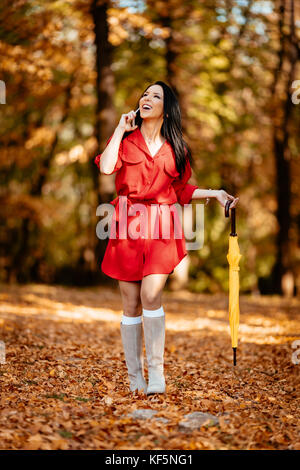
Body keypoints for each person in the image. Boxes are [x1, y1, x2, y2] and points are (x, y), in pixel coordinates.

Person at [94, 81, 239, 395]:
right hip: (126, 224)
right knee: (130, 303)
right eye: (144, 94)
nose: (147, 98)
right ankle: (136, 379)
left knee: (150, 296)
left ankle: (156, 375)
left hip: (161, 225)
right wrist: (119, 129)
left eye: (155, 96)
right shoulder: (126, 139)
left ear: (166, 108)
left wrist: (213, 194)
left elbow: (178, 191)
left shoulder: (178, 149)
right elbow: (106, 168)